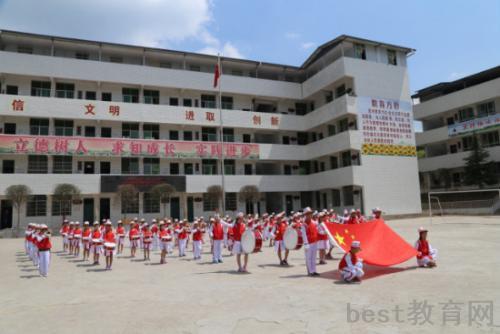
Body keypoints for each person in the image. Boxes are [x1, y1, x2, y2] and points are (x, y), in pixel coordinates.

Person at [300, 207, 319, 276]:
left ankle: (314, 270)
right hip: (308, 243)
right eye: (308, 214)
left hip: (314, 242)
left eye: (310, 214)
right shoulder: (304, 224)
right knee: (308, 258)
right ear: (305, 215)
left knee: (314, 257)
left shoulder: (314, 222)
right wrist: (306, 243)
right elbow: (304, 234)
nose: (309, 215)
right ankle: (310, 271)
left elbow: (317, 230)